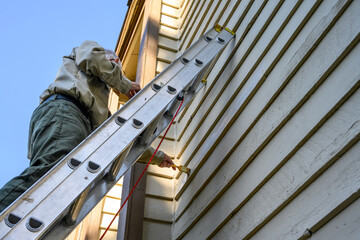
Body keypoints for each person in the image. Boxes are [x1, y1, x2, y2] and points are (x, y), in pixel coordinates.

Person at [0, 41, 174, 213]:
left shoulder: (98, 108)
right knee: (50, 175)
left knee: (49, 193)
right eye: (115, 68)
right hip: (66, 110)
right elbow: (92, 58)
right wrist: (125, 85)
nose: (115, 75)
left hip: (73, 119)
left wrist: (158, 156)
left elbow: (117, 137)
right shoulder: (87, 50)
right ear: (109, 60)